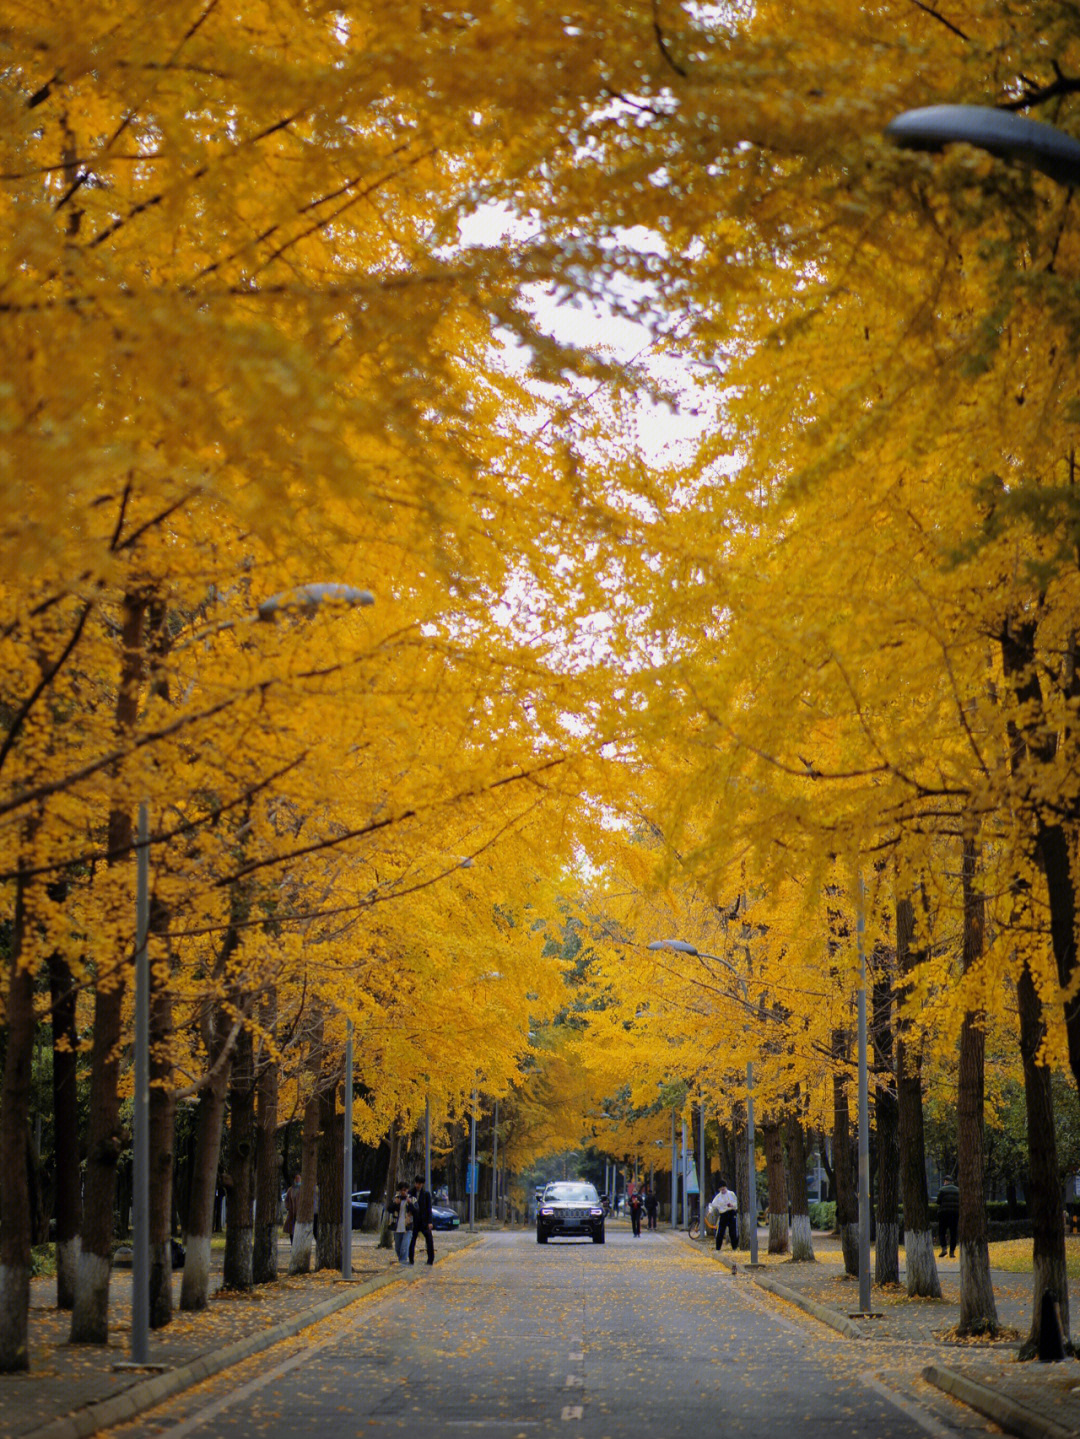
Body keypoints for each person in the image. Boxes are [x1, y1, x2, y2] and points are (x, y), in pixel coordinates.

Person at [409, 1174, 435, 1266]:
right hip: (414, 1221)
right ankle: (410, 1259)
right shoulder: (411, 1193)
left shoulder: (426, 1194)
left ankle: (430, 1259)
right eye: (416, 1183)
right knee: (412, 1240)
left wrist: (430, 1222)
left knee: (429, 1240)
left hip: (424, 1221)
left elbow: (429, 1209)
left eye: (419, 1183)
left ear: (423, 1184)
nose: (418, 1185)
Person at [710, 1180, 738, 1251]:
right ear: (719, 1189)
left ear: (726, 1187)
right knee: (720, 1232)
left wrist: (732, 1205)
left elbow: (736, 1203)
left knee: (733, 1232)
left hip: (731, 1213)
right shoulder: (718, 1197)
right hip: (723, 1215)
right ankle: (718, 1248)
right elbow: (713, 1205)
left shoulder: (731, 1194)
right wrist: (710, 1211)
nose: (722, 1189)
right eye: (721, 1188)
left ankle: (734, 1247)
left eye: (723, 1187)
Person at [388, 1181, 411, 1265]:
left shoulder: (412, 1199)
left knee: (404, 1248)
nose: (403, 1192)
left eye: (405, 1190)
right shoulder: (396, 1198)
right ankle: (402, 1261)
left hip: (407, 1227)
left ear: (408, 1190)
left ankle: (403, 1264)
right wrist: (395, 1204)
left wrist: (410, 1203)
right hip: (397, 1227)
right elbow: (389, 1209)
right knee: (397, 1248)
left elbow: (416, 1211)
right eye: (401, 1190)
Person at [936, 1176, 959, 1258]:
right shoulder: (958, 1190)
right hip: (954, 1214)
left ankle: (944, 1248)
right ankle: (952, 1252)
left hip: (943, 1214)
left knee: (942, 1231)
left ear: (945, 1181)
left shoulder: (942, 1190)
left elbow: (938, 1201)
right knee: (953, 1233)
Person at [284, 1172, 301, 1244]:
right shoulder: (291, 1189)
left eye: (299, 1178)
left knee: (300, 1230)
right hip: (292, 1213)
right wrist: (288, 1207)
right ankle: (292, 1245)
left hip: (301, 1213)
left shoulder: (303, 1189)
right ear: (294, 1179)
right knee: (292, 1231)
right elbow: (286, 1200)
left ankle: (299, 1245)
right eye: (296, 1178)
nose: (298, 1179)